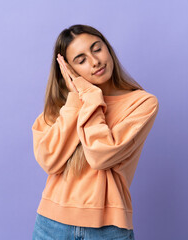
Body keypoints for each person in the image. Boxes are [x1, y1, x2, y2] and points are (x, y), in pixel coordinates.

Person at [31, 24, 159, 240]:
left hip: (108, 228)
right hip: (51, 225)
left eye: (97, 49)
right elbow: (48, 160)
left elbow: (101, 155)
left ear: (107, 48)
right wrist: (77, 99)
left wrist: (90, 96)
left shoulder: (142, 103)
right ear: (68, 71)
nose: (95, 61)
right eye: (81, 60)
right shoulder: (60, 107)